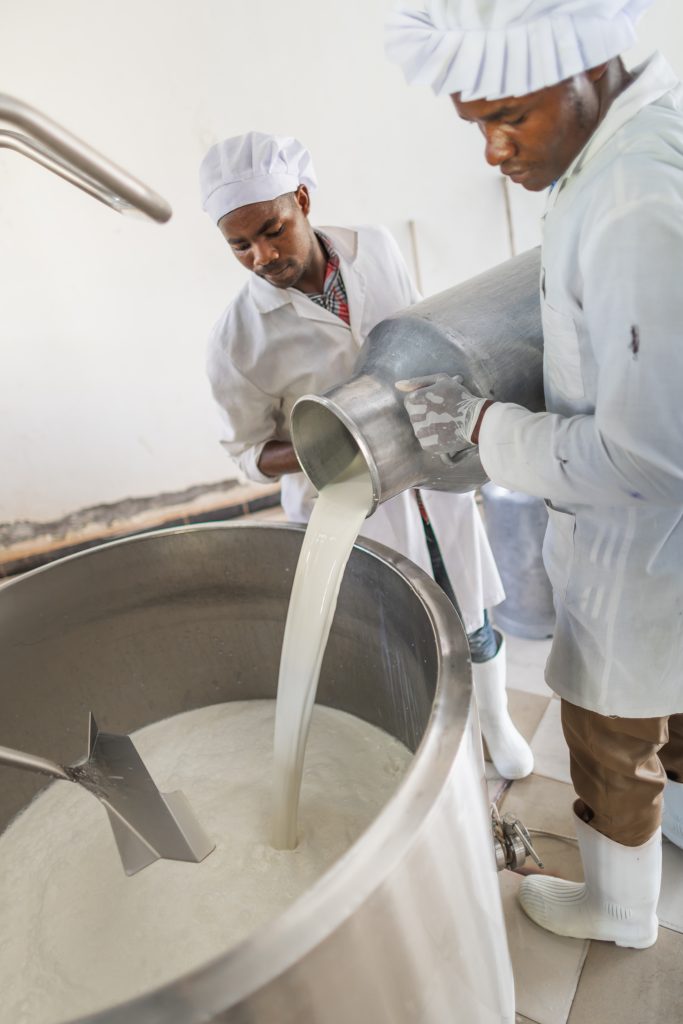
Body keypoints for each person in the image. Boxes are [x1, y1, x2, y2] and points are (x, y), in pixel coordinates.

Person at [387, 0, 683, 948]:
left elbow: (648, 455)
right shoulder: (642, 136)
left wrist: (482, 423)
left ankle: (620, 912)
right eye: (477, 125)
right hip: (657, 549)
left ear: (583, 69)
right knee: (670, 709)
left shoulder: (635, 203)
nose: (491, 153)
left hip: (640, 548)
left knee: (607, 736)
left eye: (505, 118)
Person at [199, 131, 534, 780]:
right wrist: (329, 440)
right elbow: (244, 452)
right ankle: (444, 758)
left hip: (430, 467)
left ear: (301, 199)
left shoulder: (373, 248)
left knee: (471, 602)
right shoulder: (236, 339)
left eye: (272, 230)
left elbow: (414, 333)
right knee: (400, 634)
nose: (261, 255)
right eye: (239, 245)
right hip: (350, 499)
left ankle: (497, 724)